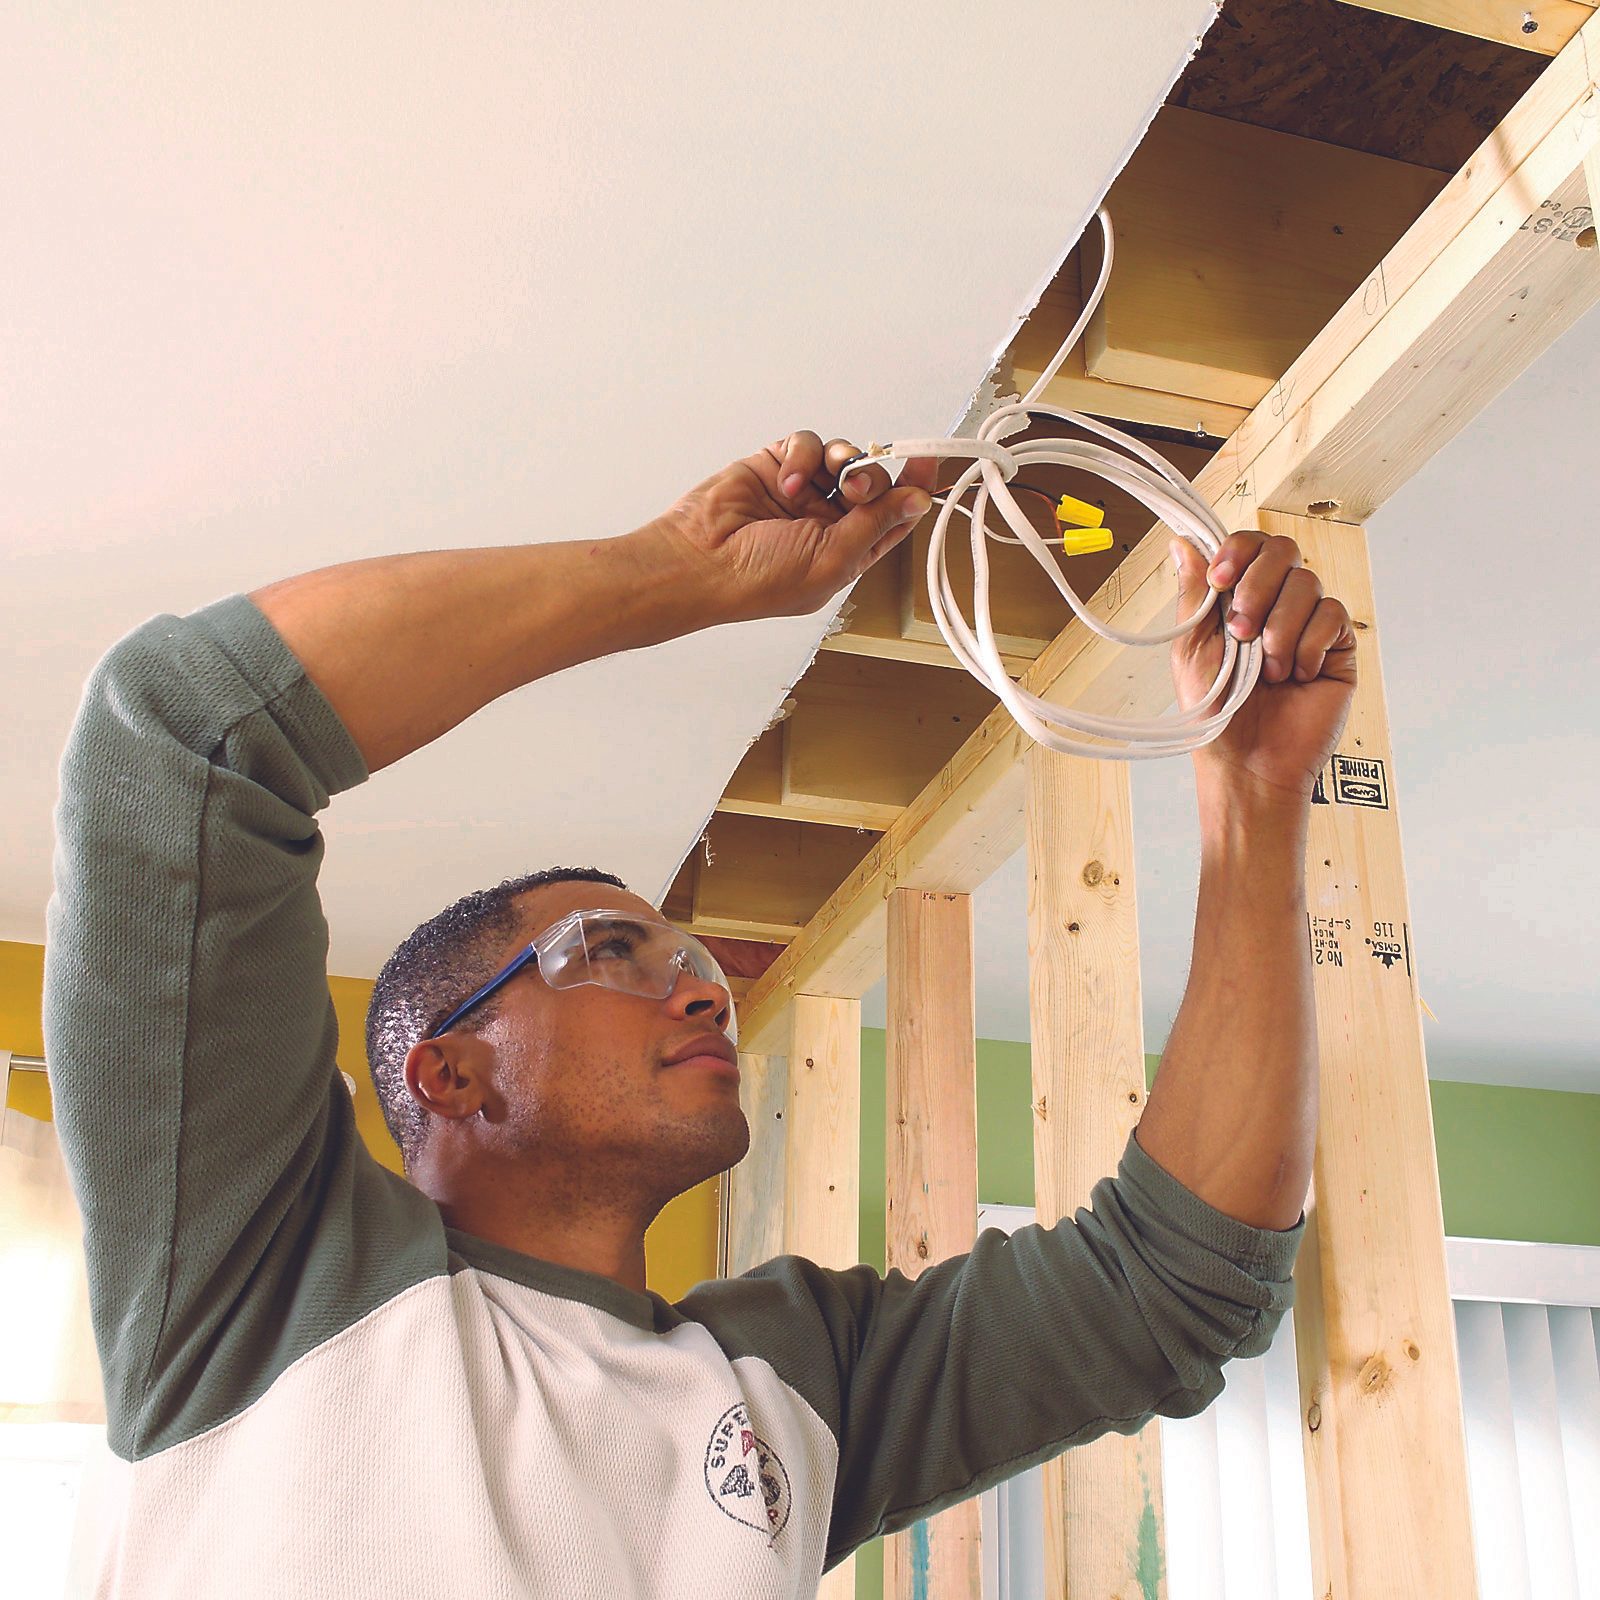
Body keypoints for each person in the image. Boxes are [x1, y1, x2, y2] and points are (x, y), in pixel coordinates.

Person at [44, 429, 1355, 1597]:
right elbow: (185, 735)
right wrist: (670, 572)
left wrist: (1255, 798)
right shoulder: (259, 1272)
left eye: (703, 972)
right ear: (449, 1075)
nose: (696, 992)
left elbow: (1177, 1291)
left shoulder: (799, 1382)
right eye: (613, 951)